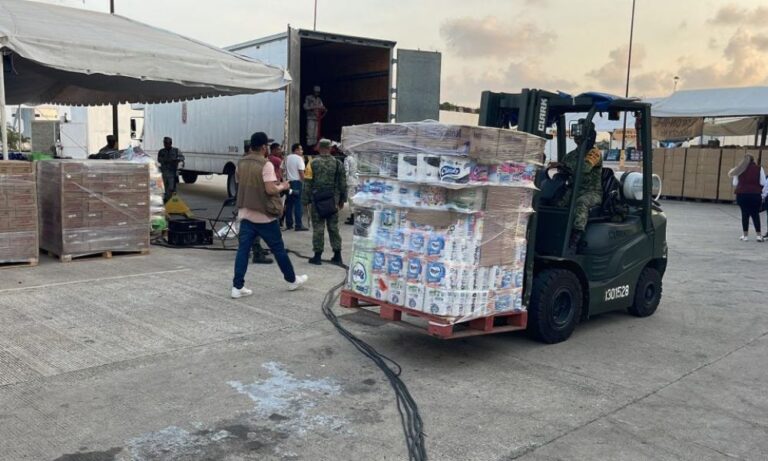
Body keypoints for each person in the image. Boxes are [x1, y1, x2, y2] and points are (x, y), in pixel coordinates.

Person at [231, 131, 307, 298]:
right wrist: (283, 186)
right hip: (264, 216)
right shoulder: (265, 165)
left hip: (245, 214)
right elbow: (270, 189)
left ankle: (237, 287)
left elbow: (240, 181)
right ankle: (292, 280)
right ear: (264, 147)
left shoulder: (241, 162)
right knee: (278, 249)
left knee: (243, 251)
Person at [555, 125, 602, 249]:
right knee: (557, 203)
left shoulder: (594, 153)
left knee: (581, 203)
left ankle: (575, 238)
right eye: (576, 136)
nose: (577, 139)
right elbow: (563, 167)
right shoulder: (571, 155)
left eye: (580, 136)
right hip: (573, 189)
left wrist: (566, 166)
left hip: (591, 192)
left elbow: (585, 168)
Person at [303, 138, 347, 265]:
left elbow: (308, 183)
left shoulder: (312, 163)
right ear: (330, 148)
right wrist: (342, 199)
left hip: (317, 200)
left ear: (319, 148)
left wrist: (305, 200)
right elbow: (342, 183)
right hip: (332, 200)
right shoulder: (338, 163)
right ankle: (337, 255)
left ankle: (317, 256)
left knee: (318, 227)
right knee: (333, 228)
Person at [729, 154, 765, 242]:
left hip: (742, 194)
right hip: (755, 194)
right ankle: (759, 235)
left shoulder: (739, 169)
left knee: (744, 214)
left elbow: (735, 183)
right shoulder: (759, 168)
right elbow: (763, 182)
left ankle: (745, 236)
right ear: (753, 160)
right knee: (755, 214)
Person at [285, 143, 309, 231]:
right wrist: (304, 182)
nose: (302, 151)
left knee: (289, 204)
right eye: (300, 149)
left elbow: (281, 169)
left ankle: (289, 224)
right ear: (296, 150)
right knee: (298, 204)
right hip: (297, 183)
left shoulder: (287, 158)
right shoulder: (299, 159)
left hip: (288, 182)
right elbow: (301, 172)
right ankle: (298, 224)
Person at [157, 137, 185, 203]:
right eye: (164, 143)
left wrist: (177, 160)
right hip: (164, 173)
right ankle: (166, 201)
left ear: (171, 143)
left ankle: (171, 201)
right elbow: (159, 159)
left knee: (171, 188)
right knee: (165, 188)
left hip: (172, 173)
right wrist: (166, 160)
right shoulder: (161, 151)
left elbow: (182, 157)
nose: (166, 144)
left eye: (167, 143)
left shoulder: (176, 150)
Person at [343, 151, 358, 225]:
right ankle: (353, 216)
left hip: (350, 181)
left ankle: (353, 217)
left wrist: (344, 181)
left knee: (351, 199)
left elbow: (346, 171)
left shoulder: (347, 159)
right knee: (354, 199)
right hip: (356, 180)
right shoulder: (356, 157)